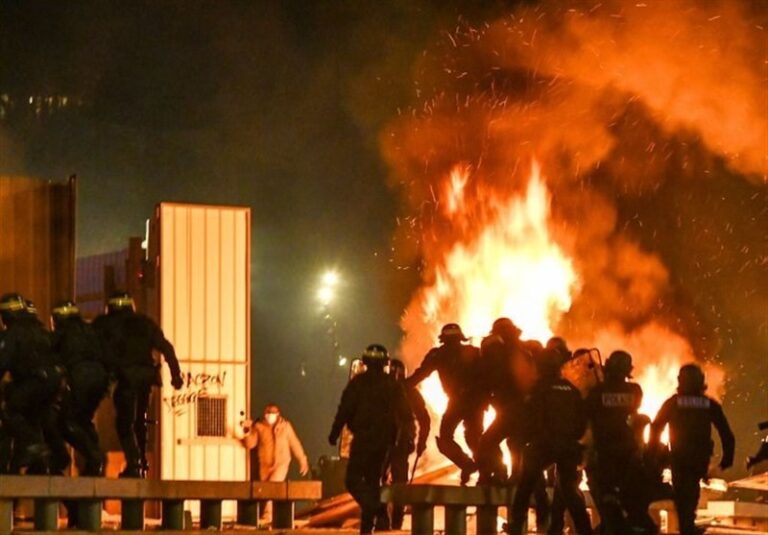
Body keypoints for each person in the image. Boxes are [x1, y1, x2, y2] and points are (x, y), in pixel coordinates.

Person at [93, 291, 183, 478]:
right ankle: (141, 461)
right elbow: (166, 347)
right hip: (146, 379)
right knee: (140, 422)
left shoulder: (105, 324)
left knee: (125, 423)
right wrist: (176, 376)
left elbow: (93, 348)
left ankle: (134, 463)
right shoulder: (145, 323)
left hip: (126, 379)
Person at [329, 344, 414, 534]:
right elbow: (407, 415)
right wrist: (407, 438)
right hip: (384, 443)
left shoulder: (358, 383)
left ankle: (373, 512)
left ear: (365, 362)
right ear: (385, 363)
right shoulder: (393, 386)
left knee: (353, 480)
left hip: (363, 440)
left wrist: (334, 434)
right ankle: (372, 522)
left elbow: (344, 410)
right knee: (373, 482)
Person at [507, 348, 592, 535]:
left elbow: (529, 419)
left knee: (526, 482)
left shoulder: (538, 389)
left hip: (545, 443)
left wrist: (529, 440)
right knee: (570, 490)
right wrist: (572, 440)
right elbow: (581, 421)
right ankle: (585, 530)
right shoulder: (571, 389)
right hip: (569, 446)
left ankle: (516, 525)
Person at [650, 364, 734, 535]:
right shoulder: (709, 404)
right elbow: (726, 433)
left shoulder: (673, 403)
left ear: (680, 381)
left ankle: (686, 527)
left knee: (682, 496)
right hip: (699, 460)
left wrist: (654, 455)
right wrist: (726, 460)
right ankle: (688, 527)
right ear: (701, 381)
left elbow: (655, 428)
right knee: (691, 494)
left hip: (679, 459)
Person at [586, 350, 657, 534]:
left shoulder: (597, 391)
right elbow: (632, 408)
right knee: (627, 494)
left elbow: (588, 414)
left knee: (607, 493)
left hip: (605, 449)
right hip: (628, 448)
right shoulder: (634, 391)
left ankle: (614, 527)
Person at [407, 323, 484, 484]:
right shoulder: (473, 352)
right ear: (459, 338)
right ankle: (481, 468)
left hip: (460, 402)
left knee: (446, 439)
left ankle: (470, 465)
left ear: (444, 339)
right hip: (474, 402)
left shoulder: (438, 355)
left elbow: (421, 374)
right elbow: (489, 377)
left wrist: (402, 386)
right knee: (474, 438)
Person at [0, 293, 66, 473]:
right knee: (35, 416)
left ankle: (33, 446)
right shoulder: (41, 331)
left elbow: (3, 361)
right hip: (53, 382)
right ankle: (43, 462)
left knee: (10, 410)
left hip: (35, 380)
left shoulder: (13, 333)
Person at [50, 300, 111, 476]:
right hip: (100, 378)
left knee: (66, 421)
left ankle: (93, 455)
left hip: (81, 376)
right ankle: (94, 458)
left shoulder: (63, 332)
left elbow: (49, 354)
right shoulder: (90, 330)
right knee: (83, 419)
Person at [242, 403, 309, 524]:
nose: (269, 415)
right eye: (267, 413)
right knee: (267, 490)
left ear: (278, 414)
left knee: (273, 486)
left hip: (281, 463)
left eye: (272, 413)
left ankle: (267, 516)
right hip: (264, 465)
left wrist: (302, 460)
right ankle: (273, 515)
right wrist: (247, 432)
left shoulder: (286, 427)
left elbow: (295, 443)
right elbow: (250, 444)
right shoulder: (259, 427)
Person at [388, 358, 430, 529]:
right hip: (392, 444)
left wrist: (422, 441)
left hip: (397, 445)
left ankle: (392, 521)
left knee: (395, 483)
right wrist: (421, 442)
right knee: (397, 483)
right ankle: (391, 520)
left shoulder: (407, 392)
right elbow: (424, 419)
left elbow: (424, 419)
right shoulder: (408, 391)